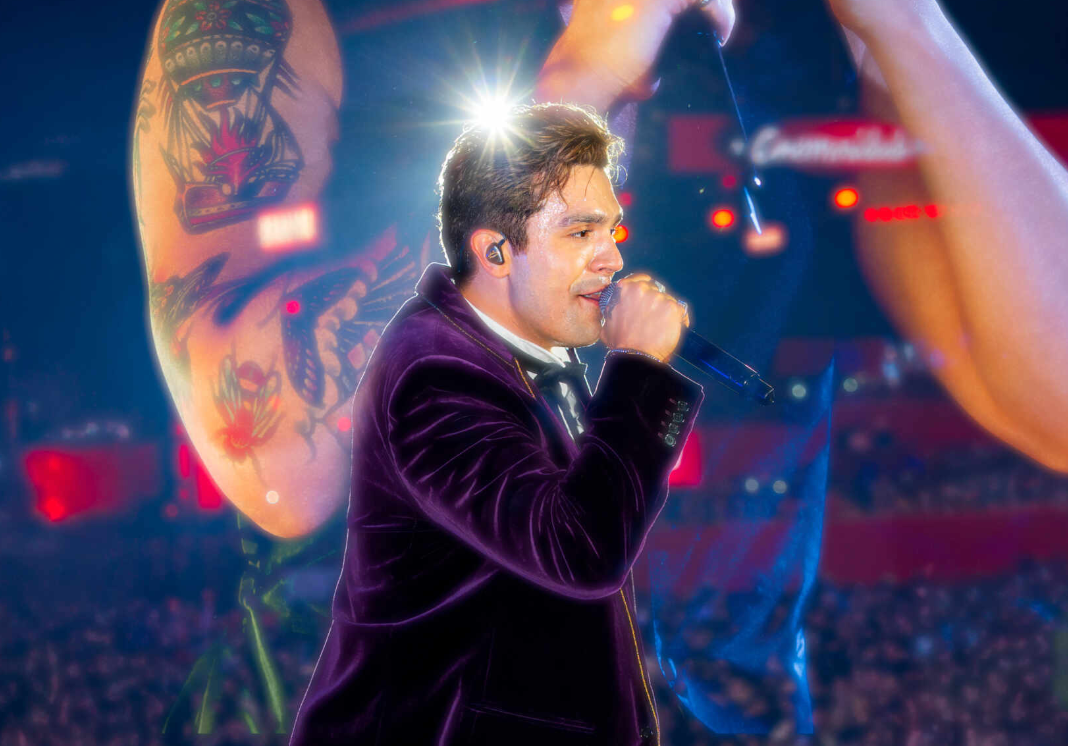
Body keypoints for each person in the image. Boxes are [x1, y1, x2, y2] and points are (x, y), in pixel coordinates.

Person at [288, 102, 701, 744]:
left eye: (611, 231)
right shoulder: (437, 373)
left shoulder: (527, 351)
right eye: (580, 233)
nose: (612, 260)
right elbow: (580, 551)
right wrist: (640, 369)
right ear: (497, 252)